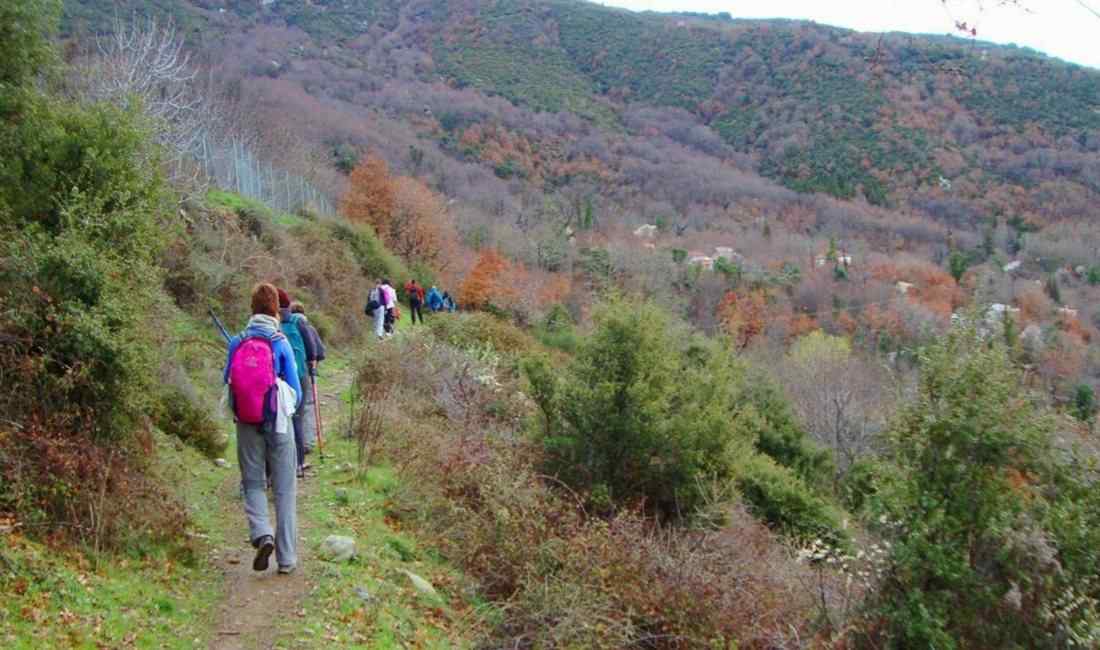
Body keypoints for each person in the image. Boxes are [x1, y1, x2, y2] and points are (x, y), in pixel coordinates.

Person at [224, 283, 301, 575]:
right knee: (284, 490)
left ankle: (262, 534)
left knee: (253, 483)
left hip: (246, 421)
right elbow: (296, 391)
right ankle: (287, 559)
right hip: (279, 423)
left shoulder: (237, 341)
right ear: (275, 310)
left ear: (252, 308)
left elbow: (227, 380)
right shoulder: (280, 342)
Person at [278, 288, 317, 478]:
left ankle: (280, 465)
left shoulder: (271, 325)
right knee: (297, 419)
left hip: (277, 379)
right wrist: (312, 365)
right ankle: (299, 464)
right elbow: (312, 350)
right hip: (299, 376)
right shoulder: (298, 322)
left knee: (280, 421)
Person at [290, 301, 325, 461]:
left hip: (288, 371)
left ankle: (294, 444)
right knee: (308, 404)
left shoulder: (284, 326)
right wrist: (314, 363)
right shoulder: (307, 326)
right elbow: (319, 351)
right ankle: (308, 442)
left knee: (293, 408)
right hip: (305, 369)